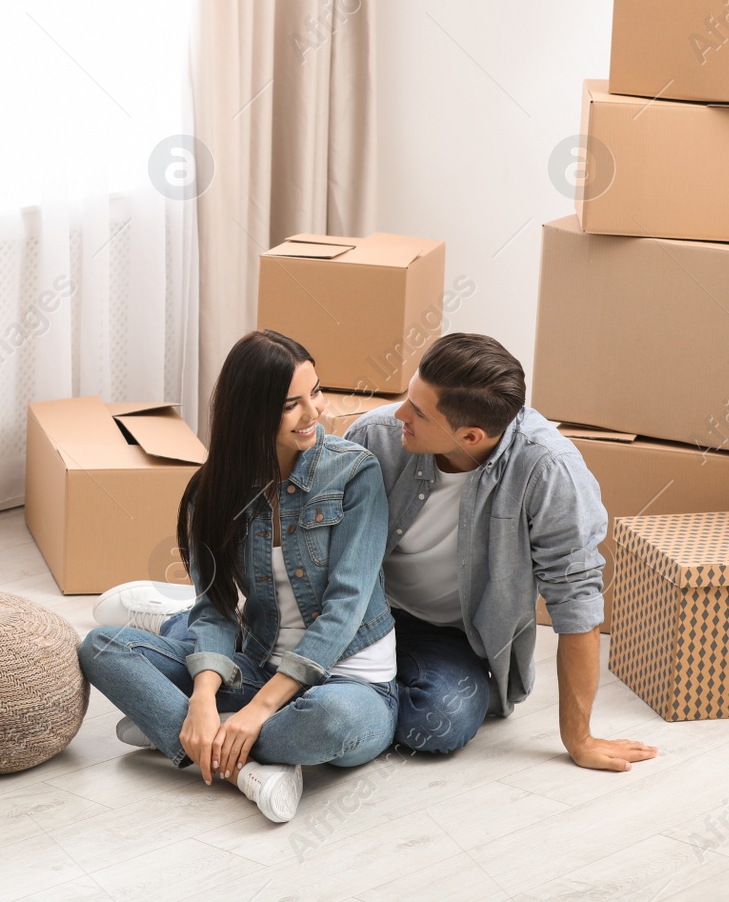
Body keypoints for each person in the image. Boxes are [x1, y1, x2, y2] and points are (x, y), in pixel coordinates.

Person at [79, 330, 398, 824]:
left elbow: (344, 610)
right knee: (102, 647)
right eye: (290, 404)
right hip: (258, 665)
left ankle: (187, 732)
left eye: (315, 392)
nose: (315, 413)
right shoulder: (213, 491)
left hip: (353, 684)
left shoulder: (355, 474)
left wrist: (254, 713)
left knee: (330, 723)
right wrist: (204, 696)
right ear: (250, 411)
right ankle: (241, 765)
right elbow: (217, 608)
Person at [340, 333, 657, 769]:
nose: (399, 414)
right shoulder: (375, 437)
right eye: (408, 396)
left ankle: (348, 702)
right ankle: (353, 699)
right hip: (360, 613)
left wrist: (578, 738)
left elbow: (576, 601)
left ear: (470, 435)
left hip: (446, 636)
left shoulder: (549, 470)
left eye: (418, 411)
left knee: (440, 720)